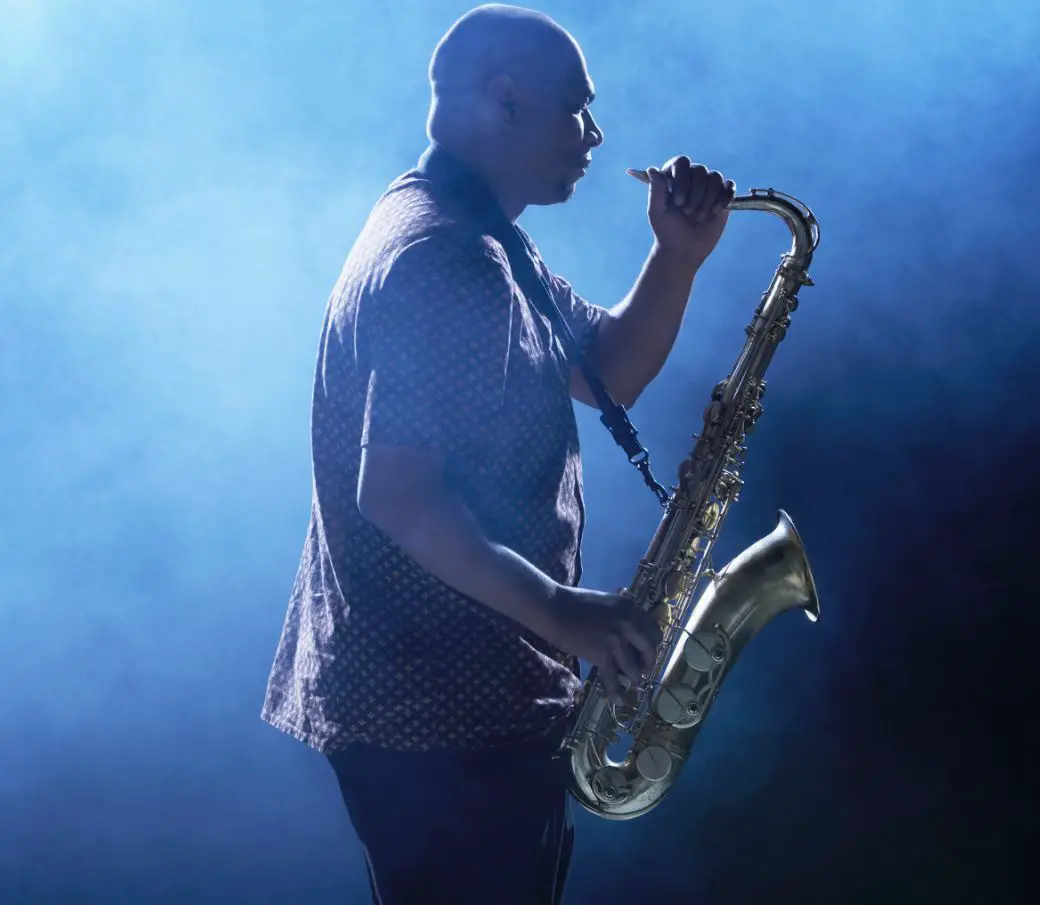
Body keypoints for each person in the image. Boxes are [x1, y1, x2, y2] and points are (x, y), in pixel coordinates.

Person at [261, 4, 736, 903]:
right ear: (507, 100)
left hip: (457, 711)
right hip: (438, 723)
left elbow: (608, 372)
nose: (596, 135)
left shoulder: (477, 235)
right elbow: (398, 495)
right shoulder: (446, 259)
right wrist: (564, 611)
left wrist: (676, 258)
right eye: (577, 108)